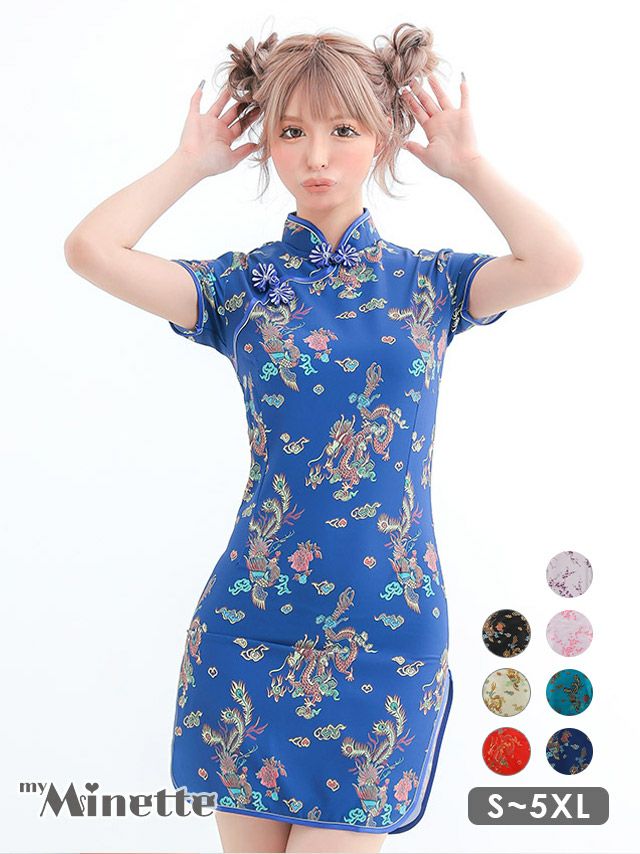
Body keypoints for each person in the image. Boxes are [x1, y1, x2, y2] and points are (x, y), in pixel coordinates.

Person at [63, 22, 583, 854]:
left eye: (343, 129)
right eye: (290, 130)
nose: (316, 156)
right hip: (252, 625)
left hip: (389, 630)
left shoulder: (430, 284)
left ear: (382, 137)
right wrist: (190, 164)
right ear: (266, 143)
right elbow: (90, 250)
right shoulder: (240, 287)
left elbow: (557, 264)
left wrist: (471, 168)